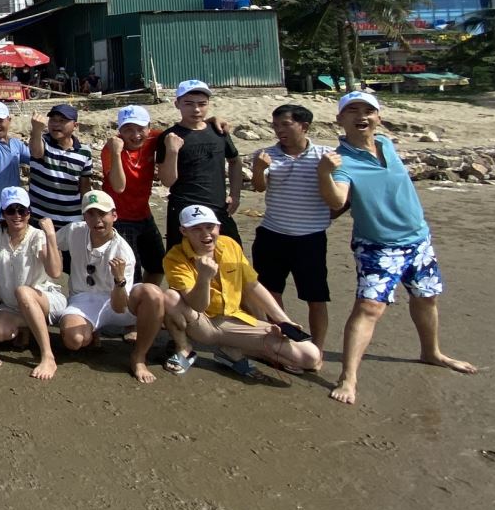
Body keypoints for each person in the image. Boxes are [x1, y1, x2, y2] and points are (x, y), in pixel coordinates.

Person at [318, 91, 475, 405]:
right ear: (340, 119)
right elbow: (336, 201)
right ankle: (348, 377)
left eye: (368, 110)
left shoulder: (386, 144)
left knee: (426, 297)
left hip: (418, 239)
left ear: (378, 117)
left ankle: (431, 352)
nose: (361, 116)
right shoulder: (341, 161)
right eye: (352, 111)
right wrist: (324, 172)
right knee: (369, 309)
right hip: (379, 247)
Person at [160, 205, 322, 378]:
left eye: (209, 227)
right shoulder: (174, 257)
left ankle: (231, 351)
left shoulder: (230, 245)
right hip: (202, 324)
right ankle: (184, 348)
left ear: (218, 227)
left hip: (235, 320)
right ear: (184, 231)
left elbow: (253, 286)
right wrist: (204, 278)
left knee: (310, 357)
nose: (205, 234)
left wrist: (283, 321)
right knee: (170, 297)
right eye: (196, 229)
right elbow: (198, 306)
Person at [249, 103, 335, 354]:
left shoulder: (325, 155)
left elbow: (343, 195)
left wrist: (326, 218)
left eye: (285, 124)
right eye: (275, 125)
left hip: (310, 238)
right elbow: (259, 188)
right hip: (272, 234)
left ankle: (317, 349)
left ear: (304, 126)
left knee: (316, 297)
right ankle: (285, 346)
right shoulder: (266, 154)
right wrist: (259, 169)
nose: (279, 130)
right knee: (271, 293)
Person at [57, 191, 164, 384]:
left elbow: (119, 307)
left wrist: (119, 280)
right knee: (74, 340)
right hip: (83, 299)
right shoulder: (74, 230)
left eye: (102, 213)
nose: (97, 220)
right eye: (91, 214)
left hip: (116, 301)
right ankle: (92, 331)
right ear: (84, 217)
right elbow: (48, 243)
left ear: (114, 215)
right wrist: (49, 238)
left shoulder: (123, 252)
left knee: (153, 294)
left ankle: (139, 357)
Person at [0, 187, 66, 380]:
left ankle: (48, 356)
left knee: (23, 292)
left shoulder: (37, 236)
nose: (17, 215)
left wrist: (51, 236)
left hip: (44, 298)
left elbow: (55, 272)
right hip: (13, 306)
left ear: (29, 212)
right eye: (11, 210)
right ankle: (28, 326)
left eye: (22, 210)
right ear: (3, 213)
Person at [156, 79, 241, 247]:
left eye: (202, 104)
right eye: (188, 104)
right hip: (183, 210)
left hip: (218, 208)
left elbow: (235, 161)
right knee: (182, 258)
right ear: (177, 104)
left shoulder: (218, 130)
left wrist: (235, 194)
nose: (196, 109)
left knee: (232, 253)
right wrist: (172, 151)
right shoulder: (169, 137)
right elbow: (167, 181)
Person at [102, 105, 166, 287]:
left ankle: (145, 299)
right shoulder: (110, 149)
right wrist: (116, 153)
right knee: (131, 273)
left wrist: (211, 121)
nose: (136, 135)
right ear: (120, 130)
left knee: (158, 266)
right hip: (120, 218)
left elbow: (182, 130)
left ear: (149, 128)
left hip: (144, 215)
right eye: (128, 129)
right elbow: (118, 186)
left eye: (140, 129)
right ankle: (132, 302)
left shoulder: (154, 137)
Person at [27, 103, 94, 272]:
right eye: (53, 120)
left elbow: (85, 188)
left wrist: (88, 216)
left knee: (76, 269)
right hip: (39, 221)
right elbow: (36, 152)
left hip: (71, 224)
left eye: (62, 120)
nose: (56, 124)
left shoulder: (84, 152)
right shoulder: (43, 141)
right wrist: (36, 130)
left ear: (75, 125)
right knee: (37, 270)